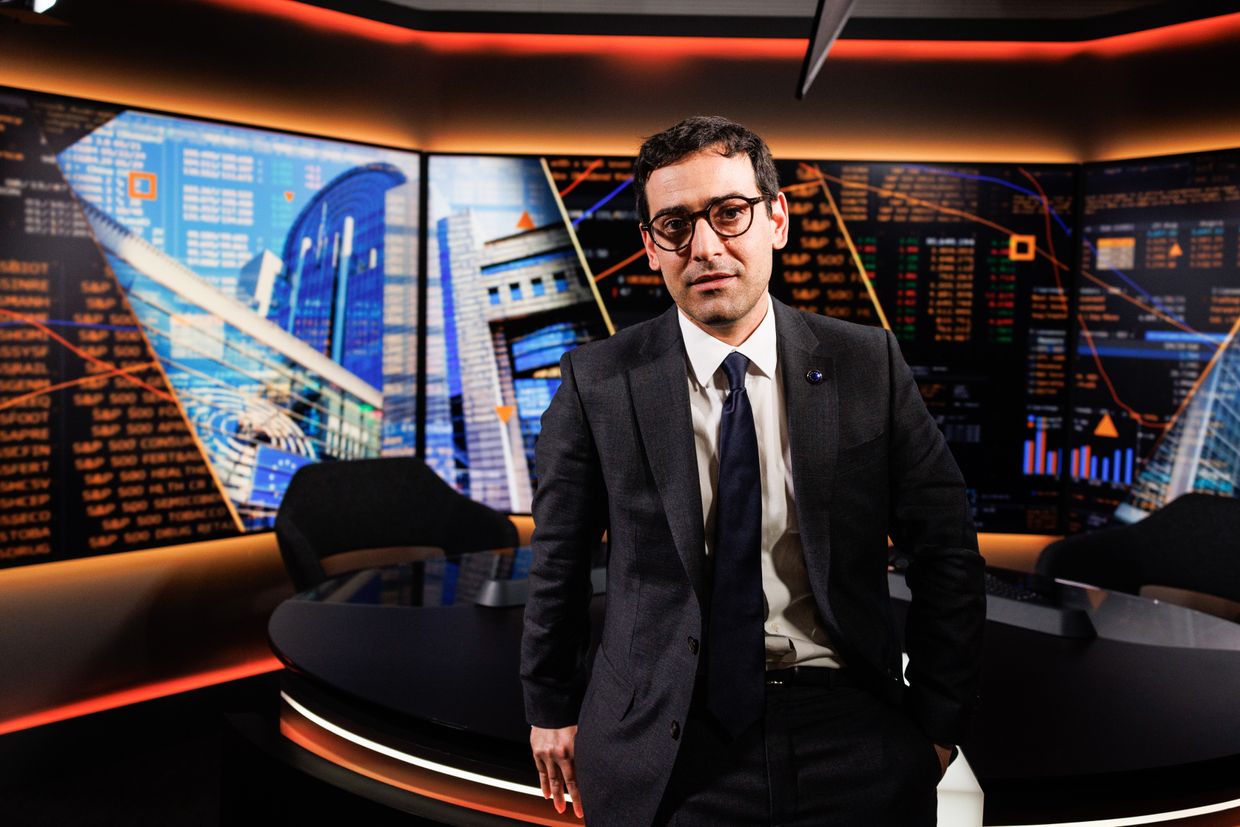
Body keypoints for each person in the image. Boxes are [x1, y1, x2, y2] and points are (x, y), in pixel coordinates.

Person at [520, 115, 985, 826]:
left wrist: (938, 724)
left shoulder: (869, 365)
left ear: (776, 220)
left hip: (852, 724)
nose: (705, 247)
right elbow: (559, 558)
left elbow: (946, 551)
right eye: (675, 225)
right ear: (650, 246)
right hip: (668, 732)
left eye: (729, 213)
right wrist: (549, 707)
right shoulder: (598, 381)